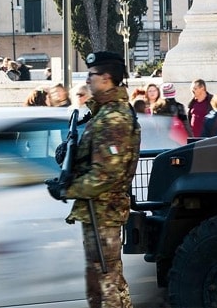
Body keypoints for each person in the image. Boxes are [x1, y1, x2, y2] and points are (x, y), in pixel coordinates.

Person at [47, 51, 141, 308]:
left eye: (92, 75)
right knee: (101, 281)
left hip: (104, 210)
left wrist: (68, 190)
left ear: (107, 78)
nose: (88, 80)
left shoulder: (114, 118)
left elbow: (106, 174)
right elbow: (92, 160)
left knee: (107, 284)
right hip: (96, 210)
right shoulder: (102, 114)